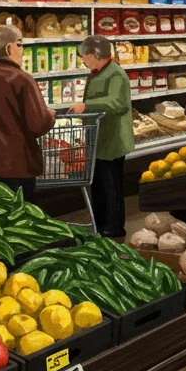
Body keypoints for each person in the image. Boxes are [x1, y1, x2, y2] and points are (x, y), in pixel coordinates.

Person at [0, 24, 55, 199]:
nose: (22, 50)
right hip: (17, 167)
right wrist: (50, 115)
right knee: (20, 218)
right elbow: (37, 125)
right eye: (20, 44)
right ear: (9, 48)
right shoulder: (21, 80)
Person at [69, 35, 134, 239]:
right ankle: (100, 223)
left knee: (111, 186)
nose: (83, 60)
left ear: (95, 55)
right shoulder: (97, 73)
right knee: (98, 184)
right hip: (99, 139)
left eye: (84, 56)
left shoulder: (116, 74)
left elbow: (117, 103)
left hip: (113, 140)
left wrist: (87, 106)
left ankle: (114, 227)